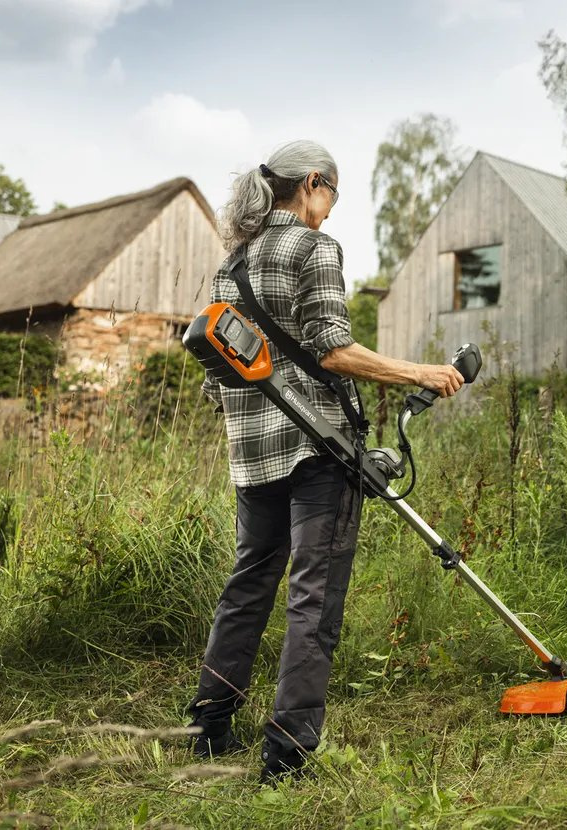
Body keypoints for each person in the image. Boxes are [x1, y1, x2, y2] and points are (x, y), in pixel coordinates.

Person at [184, 140, 464, 784]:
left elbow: (217, 373)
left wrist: (252, 423)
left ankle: (207, 727)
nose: (330, 213)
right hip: (318, 449)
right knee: (314, 596)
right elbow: (334, 350)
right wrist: (421, 370)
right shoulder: (314, 249)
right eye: (331, 196)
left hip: (252, 456)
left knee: (248, 584)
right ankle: (287, 753)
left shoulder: (235, 263)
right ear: (312, 184)